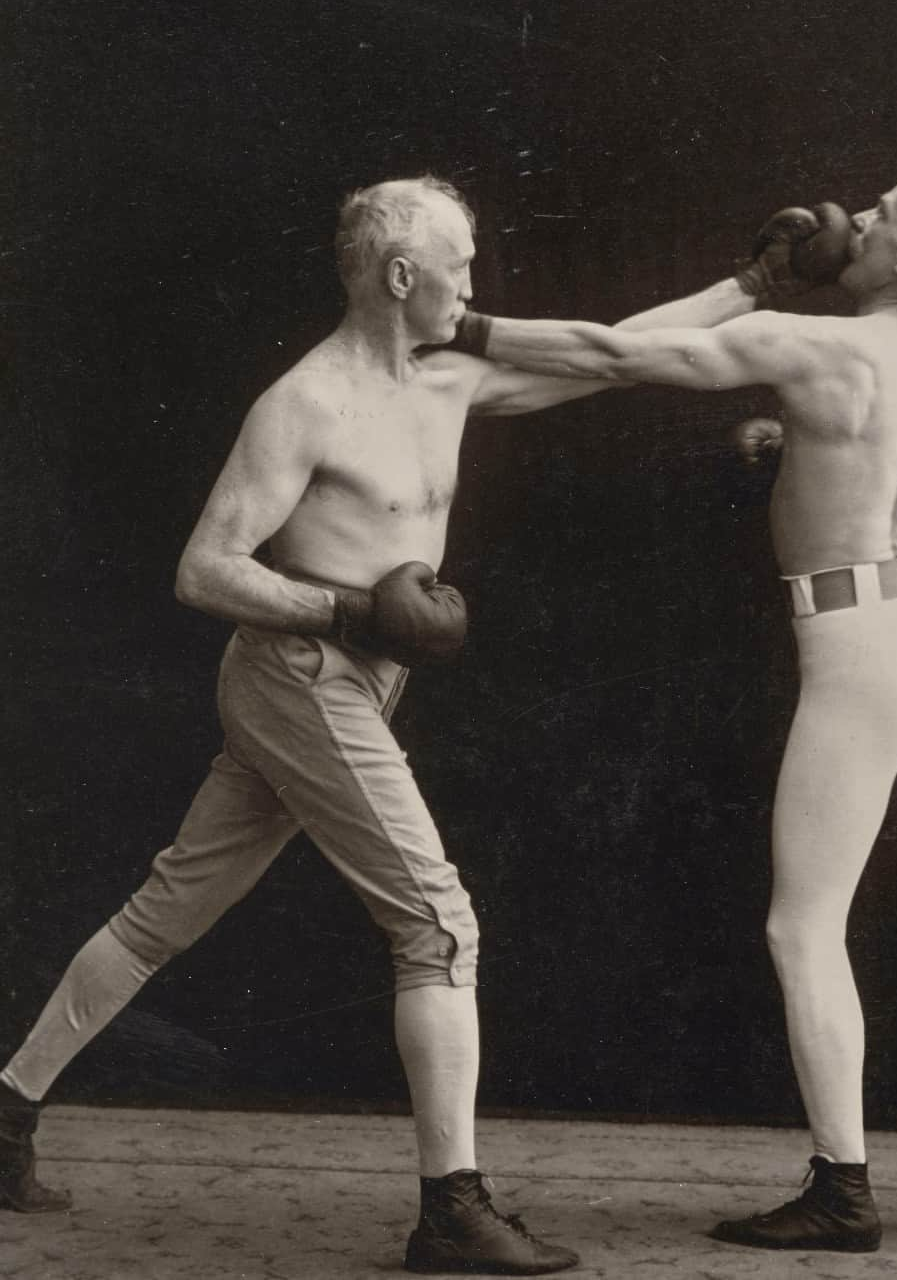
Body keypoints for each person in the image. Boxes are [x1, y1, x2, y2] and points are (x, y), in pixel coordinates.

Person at [0, 175, 639, 1275]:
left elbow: (616, 354)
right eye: (460, 267)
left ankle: (6, 1115)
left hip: (345, 684)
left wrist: (756, 293)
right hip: (301, 675)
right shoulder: (306, 402)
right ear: (403, 276)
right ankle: (451, 1209)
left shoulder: (442, 383)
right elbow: (204, 569)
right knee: (439, 925)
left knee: (165, 909)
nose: (474, 287)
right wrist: (348, 607)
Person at [449, 174, 897, 1249]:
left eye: (884, 215)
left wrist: (459, 323)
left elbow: (609, 355)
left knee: (802, 927)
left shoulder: (815, 345)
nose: (861, 219)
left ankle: (843, 1192)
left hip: (858, 651)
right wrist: (803, 456)